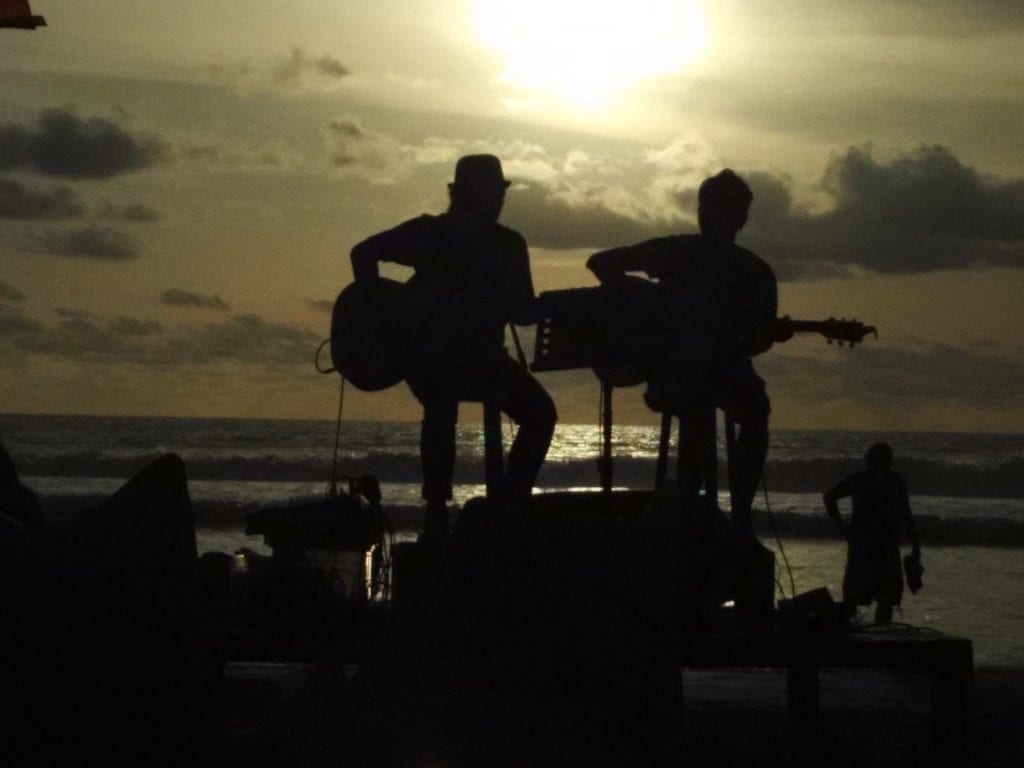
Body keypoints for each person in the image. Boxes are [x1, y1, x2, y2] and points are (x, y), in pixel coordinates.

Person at [350, 154, 556, 542]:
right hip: (450, 361)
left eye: (501, 193)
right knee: (525, 412)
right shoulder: (495, 243)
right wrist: (381, 315)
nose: (500, 200)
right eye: (494, 193)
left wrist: (379, 317)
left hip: (462, 361)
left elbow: (363, 254)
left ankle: (461, 511)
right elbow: (524, 313)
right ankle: (495, 506)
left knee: (464, 408)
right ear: (471, 194)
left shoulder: (435, 234)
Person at [586, 169, 789, 532]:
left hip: (711, 374)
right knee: (711, 404)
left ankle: (723, 515)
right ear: (741, 219)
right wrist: (642, 303)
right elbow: (600, 262)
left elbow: (756, 343)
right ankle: (705, 514)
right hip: (679, 376)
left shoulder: (743, 268)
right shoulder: (689, 253)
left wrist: (764, 334)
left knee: (750, 409)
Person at [824, 441, 921, 625]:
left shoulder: (887, 482)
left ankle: (870, 634)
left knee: (882, 601)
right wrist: (843, 529)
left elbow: (905, 515)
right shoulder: (885, 481)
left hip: (878, 547)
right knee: (858, 601)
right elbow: (829, 496)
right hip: (868, 547)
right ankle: (847, 633)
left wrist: (843, 529)